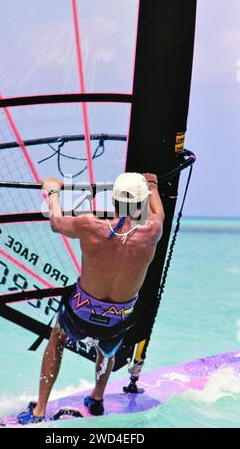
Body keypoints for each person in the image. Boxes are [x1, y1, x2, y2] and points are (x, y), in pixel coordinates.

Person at [18, 172, 164, 424]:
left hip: (81, 313)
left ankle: (40, 410)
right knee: (107, 347)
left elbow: (56, 222)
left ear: (114, 200)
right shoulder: (153, 231)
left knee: (57, 337)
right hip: (119, 319)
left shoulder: (90, 225)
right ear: (142, 202)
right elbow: (158, 211)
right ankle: (97, 398)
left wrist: (52, 191)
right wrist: (152, 183)